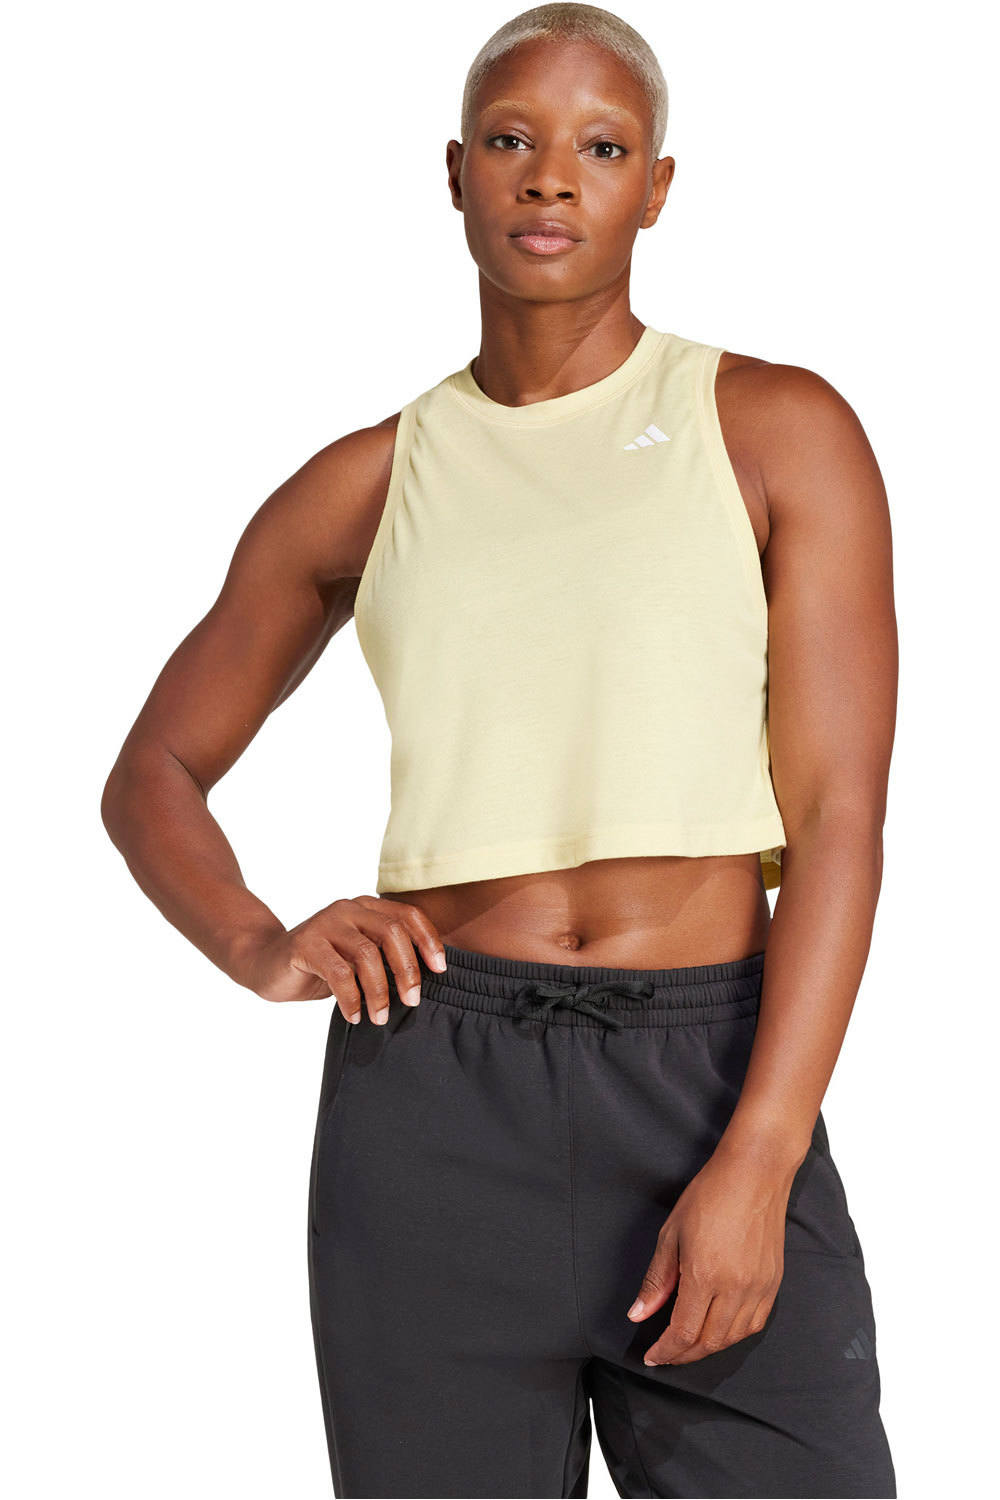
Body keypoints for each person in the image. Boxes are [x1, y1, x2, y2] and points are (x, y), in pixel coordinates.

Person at [101, 5, 899, 1496]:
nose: (551, 177)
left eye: (602, 147)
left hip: (705, 1074)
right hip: (432, 1093)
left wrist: (762, 1151)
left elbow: (841, 815)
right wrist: (261, 945)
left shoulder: (775, 430)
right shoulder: (370, 480)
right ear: (456, 172)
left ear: (656, 188)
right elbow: (153, 772)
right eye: (513, 141)